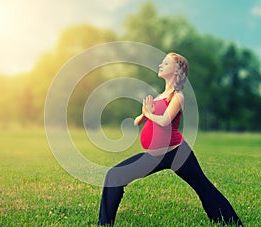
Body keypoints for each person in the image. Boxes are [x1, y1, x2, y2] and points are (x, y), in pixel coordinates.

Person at [98, 53, 243, 226]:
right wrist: (143, 115)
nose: (161, 65)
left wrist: (149, 114)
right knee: (115, 175)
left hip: (177, 153)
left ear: (177, 71)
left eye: (166, 63)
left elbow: (165, 120)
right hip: (154, 156)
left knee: (202, 186)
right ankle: (104, 223)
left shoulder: (178, 96)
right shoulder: (159, 95)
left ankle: (231, 221)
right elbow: (140, 119)